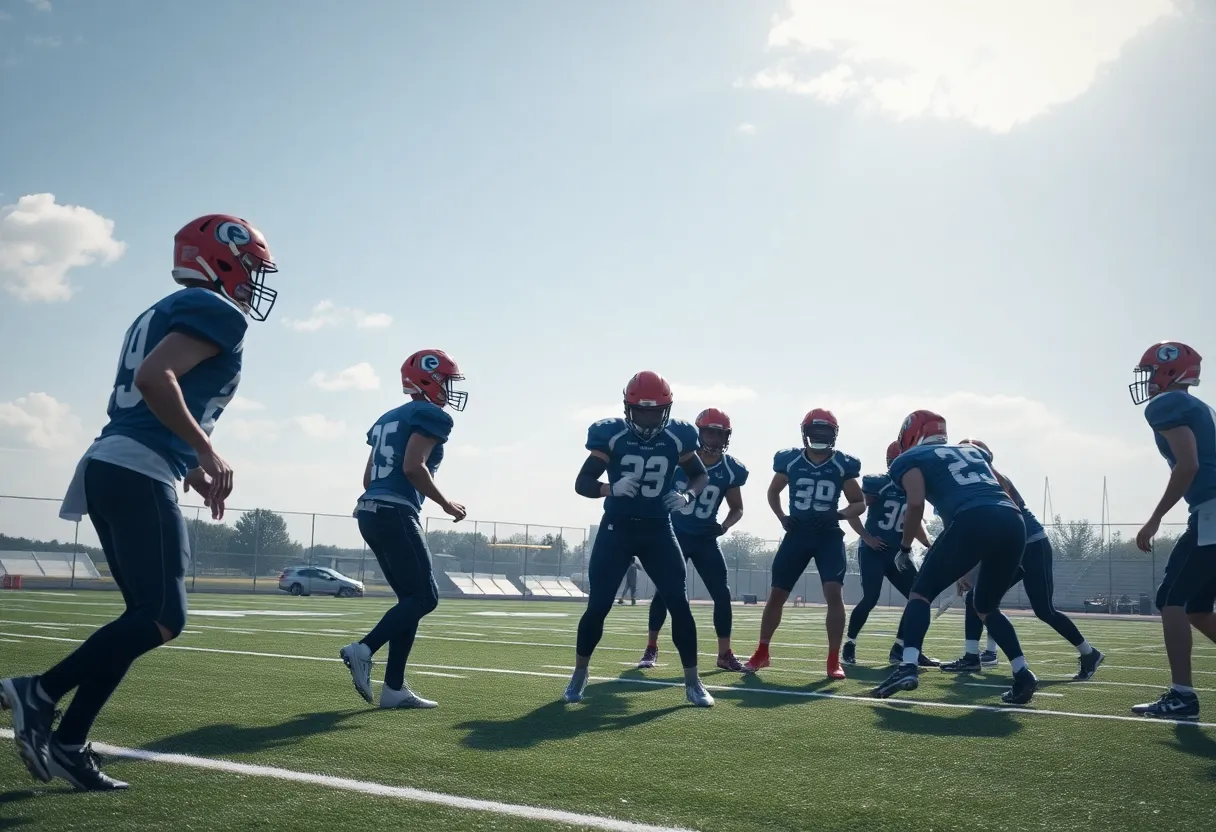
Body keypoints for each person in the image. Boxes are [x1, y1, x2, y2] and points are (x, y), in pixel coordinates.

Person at [1, 215, 279, 790]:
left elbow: (148, 391)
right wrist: (205, 451)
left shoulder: (159, 310)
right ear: (219, 259)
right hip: (134, 467)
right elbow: (157, 378)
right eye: (248, 265)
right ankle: (40, 692)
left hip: (122, 463)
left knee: (140, 619)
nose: (252, 280)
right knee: (162, 616)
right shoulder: (217, 311)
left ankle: (71, 742)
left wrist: (187, 463)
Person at [566, 371, 714, 706]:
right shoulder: (611, 434)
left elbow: (699, 474)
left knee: (679, 603)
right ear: (627, 407)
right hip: (617, 527)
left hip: (658, 528)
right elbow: (583, 481)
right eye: (641, 411)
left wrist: (688, 496)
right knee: (599, 604)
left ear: (666, 409)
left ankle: (693, 681)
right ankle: (579, 673)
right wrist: (609, 488)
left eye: (654, 411)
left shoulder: (679, 436)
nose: (648, 419)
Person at [871, 410, 1037, 705]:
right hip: (1013, 521)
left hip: (973, 519)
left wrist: (906, 548)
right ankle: (1022, 673)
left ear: (910, 434)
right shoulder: (972, 451)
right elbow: (1002, 493)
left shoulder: (909, 459)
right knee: (986, 606)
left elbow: (916, 503)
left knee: (920, 595)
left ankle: (907, 666)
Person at [339, 350, 468, 710]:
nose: (449, 389)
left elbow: (368, 478)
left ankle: (393, 688)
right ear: (429, 379)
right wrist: (446, 504)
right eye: (446, 380)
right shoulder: (430, 414)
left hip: (371, 509)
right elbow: (414, 467)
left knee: (410, 600)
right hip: (395, 511)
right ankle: (363, 649)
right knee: (425, 597)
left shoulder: (387, 417)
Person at [939, 439, 1104, 681]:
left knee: (1044, 610)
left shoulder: (995, 480)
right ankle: (972, 656)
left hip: (1030, 545)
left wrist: (971, 567)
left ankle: (1089, 653)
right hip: (1009, 546)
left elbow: (999, 522)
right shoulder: (980, 482)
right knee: (978, 598)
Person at [1127, 342, 1216, 720]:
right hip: (1208, 511)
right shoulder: (1202, 408)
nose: (1148, 382)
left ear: (1169, 372)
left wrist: (1155, 517)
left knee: (1171, 599)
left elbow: (1188, 465)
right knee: (1196, 608)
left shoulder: (1166, 405)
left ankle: (1182, 695)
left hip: (1211, 511)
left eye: (1151, 373)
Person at [743, 409, 865, 680]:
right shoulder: (791, 460)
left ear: (833, 435)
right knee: (777, 594)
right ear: (805, 434)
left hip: (828, 535)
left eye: (824, 433)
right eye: (815, 433)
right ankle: (762, 652)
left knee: (834, 593)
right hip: (797, 534)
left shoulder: (842, 465)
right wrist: (782, 518)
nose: (819, 438)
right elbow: (773, 491)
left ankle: (834, 659)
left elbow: (859, 502)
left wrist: (839, 514)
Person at [638, 408, 749, 672]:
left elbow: (737, 508)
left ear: (727, 437)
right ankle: (651, 647)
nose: (713, 439)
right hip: (674, 536)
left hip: (704, 538)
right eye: (709, 432)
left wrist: (723, 527)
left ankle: (725, 653)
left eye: (719, 434)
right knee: (664, 594)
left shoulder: (731, 469)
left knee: (722, 594)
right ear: (699, 433)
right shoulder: (679, 461)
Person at [843, 441, 937, 667]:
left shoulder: (915, 488)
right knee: (871, 598)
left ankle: (904, 647)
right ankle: (849, 643)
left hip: (898, 553)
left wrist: (928, 544)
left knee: (919, 598)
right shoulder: (879, 484)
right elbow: (853, 511)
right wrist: (867, 537)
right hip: (874, 551)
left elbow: (913, 523)